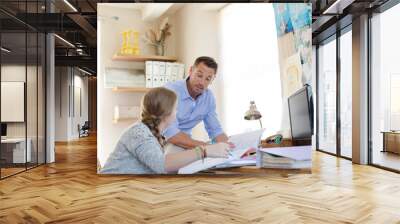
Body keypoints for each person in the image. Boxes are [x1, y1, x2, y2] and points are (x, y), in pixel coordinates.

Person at [100, 87, 232, 174]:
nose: (177, 112)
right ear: (166, 113)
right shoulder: (138, 133)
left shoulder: (151, 133)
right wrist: (204, 151)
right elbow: (161, 165)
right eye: (175, 108)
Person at [163, 56, 232, 154]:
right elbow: (171, 135)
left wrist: (231, 148)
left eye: (208, 79)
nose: (202, 83)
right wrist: (209, 147)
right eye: (199, 76)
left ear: (212, 80)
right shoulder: (171, 91)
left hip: (185, 142)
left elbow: (216, 130)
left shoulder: (208, 98)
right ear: (191, 71)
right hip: (161, 141)